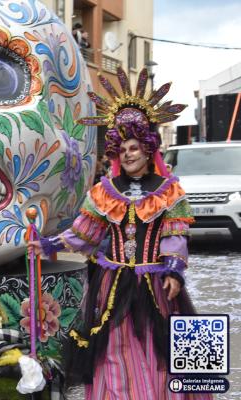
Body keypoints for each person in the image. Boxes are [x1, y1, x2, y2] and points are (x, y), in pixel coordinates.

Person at [29, 67, 211, 399]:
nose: (128, 154)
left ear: (148, 148)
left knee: (160, 350)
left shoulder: (168, 191)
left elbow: (174, 236)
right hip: (111, 284)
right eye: (122, 148)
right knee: (113, 348)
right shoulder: (105, 191)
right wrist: (47, 245)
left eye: (134, 147)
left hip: (155, 283)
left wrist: (173, 270)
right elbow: (84, 234)